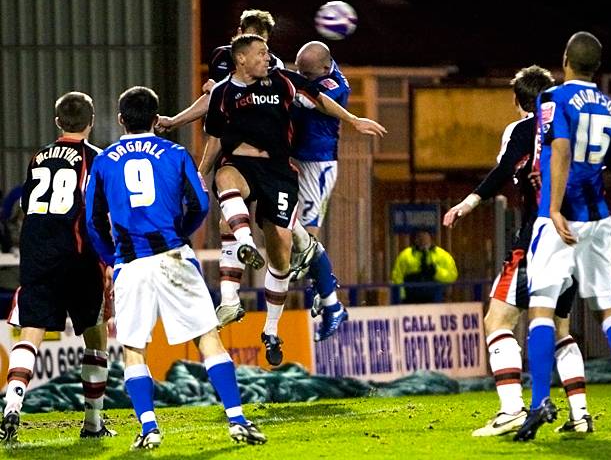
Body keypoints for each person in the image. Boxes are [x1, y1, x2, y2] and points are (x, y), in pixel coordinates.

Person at [85, 86, 266, 449]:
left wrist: (110, 256)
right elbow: (200, 202)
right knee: (207, 337)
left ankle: (149, 428)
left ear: (121, 119)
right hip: (173, 255)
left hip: (130, 263)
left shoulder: (104, 161)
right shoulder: (176, 152)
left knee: (133, 347)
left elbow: (92, 221)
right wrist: (181, 233)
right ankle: (237, 419)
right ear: (156, 119)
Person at [201, 34, 386, 366]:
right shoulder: (225, 90)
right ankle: (240, 273)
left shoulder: (285, 79)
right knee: (225, 185)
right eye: (262, 52)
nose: (269, 57)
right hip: (247, 165)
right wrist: (201, 167)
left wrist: (354, 119)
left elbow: (319, 99)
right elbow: (213, 132)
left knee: (288, 244)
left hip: (293, 167)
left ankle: (287, 321)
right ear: (241, 58)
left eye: (268, 51)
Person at [443, 66, 591, 436]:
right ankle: (581, 416)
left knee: (497, 321)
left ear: (519, 102)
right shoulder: (575, 131)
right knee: (561, 329)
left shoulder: (523, 129)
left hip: (536, 240)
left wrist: (467, 203)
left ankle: (511, 409)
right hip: (573, 241)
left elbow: (503, 171)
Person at [514, 32, 611, 441]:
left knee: (541, 310)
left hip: (561, 217)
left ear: (566, 58)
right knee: (608, 310)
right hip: (599, 216)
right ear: (597, 66)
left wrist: (551, 207)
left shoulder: (553, 97)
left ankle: (537, 406)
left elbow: (562, 149)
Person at [0, 92, 115, 442]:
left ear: (57, 122)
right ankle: (93, 423)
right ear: (91, 121)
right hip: (79, 252)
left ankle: (11, 407)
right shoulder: (96, 158)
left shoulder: (38, 157)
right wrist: (109, 258)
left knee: (30, 332)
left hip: (38, 252)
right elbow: (100, 210)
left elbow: (27, 204)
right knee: (95, 335)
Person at [286, 41, 350, 337]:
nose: (303, 76)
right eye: (299, 71)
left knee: (306, 237)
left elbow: (306, 98)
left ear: (324, 68)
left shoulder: (335, 84)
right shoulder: (317, 73)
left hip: (318, 166)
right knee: (289, 231)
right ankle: (324, 288)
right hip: (297, 160)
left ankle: (331, 301)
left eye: (307, 73)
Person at [390, 228, 458, 303]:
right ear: (415, 238)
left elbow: (452, 276)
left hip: (434, 299)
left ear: (430, 237)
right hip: (411, 298)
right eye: (419, 235)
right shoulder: (405, 255)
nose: (422, 238)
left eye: (425, 234)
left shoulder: (442, 255)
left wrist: (436, 272)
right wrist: (402, 296)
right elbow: (397, 277)